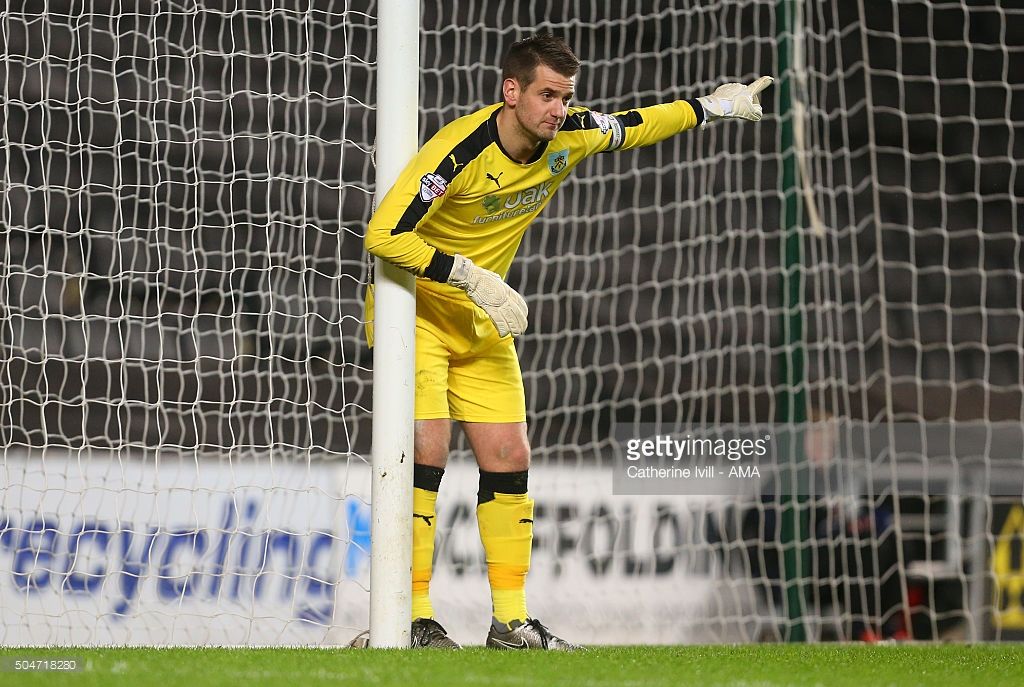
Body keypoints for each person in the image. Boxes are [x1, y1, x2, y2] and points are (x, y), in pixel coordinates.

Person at [364, 33, 772, 649]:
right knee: (427, 448)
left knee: (510, 455)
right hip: (418, 315)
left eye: (565, 97)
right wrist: (470, 275)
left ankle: (510, 622)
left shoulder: (570, 135)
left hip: (484, 321)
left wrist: (711, 107)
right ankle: (414, 616)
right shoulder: (459, 150)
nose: (559, 109)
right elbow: (384, 235)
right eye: (547, 95)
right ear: (512, 91)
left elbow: (635, 125)